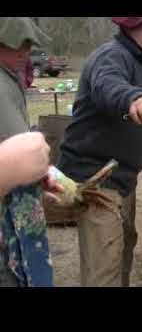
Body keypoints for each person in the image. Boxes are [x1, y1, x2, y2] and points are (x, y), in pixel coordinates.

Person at [57, 17, 142, 287]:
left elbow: (130, 118)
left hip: (122, 179)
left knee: (124, 245)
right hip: (96, 179)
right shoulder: (111, 56)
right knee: (104, 267)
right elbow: (109, 87)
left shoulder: (140, 66)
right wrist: (134, 98)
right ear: (128, 27)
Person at [0, 17, 61, 287]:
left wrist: (35, 175)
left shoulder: (10, 77)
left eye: (28, 43)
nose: (25, 51)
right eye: (18, 44)